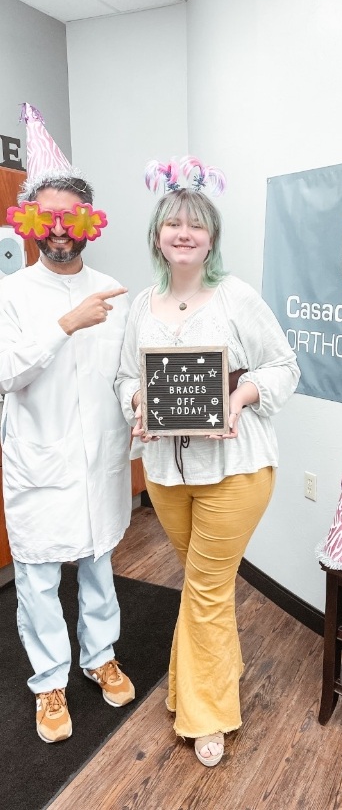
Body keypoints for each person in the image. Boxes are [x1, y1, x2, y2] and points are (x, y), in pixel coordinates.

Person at [115, 161, 300, 767]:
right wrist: (138, 401)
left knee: (207, 587)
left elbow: (283, 368)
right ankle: (196, 679)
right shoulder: (142, 305)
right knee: (201, 585)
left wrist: (239, 396)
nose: (184, 233)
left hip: (236, 470)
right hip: (167, 475)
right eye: (173, 223)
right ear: (157, 237)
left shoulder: (236, 297)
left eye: (196, 225)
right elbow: (124, 379)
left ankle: (207, 714)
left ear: (212, 238)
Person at [1, 116, 135, 743]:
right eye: (45, 216)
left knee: (99, 565)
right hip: (40, 461)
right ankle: (50, 682)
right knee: (36, 576)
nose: (59, 228)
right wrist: (64, 323)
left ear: (89, 220)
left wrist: (146, 409)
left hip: (99, 461)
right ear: (29, 222)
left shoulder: (114, 292)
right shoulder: (13, 294)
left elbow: (125, 376)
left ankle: (100, 655)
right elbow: (6, 374)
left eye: (71, 215)